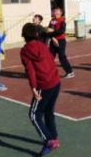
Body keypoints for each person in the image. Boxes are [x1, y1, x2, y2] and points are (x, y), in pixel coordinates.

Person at [20, 23, 61, 156]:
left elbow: (30, 71)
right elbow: (51, 60)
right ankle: (54, 138)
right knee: (49, 112)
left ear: (24, 36)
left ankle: (49, 140)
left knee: (34, 115)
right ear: (37, 34)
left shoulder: (25, 50)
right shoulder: (43, 45)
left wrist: (33, 88)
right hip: (56, 82)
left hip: (44, 85)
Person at [46, 7, 74, 78]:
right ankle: (49, 73)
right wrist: (52, 37)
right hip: (53, 40)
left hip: (60, 41)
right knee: (50, 57)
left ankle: (70, 72)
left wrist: (52, 32)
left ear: (60, 13)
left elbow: (61, 31)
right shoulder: (52, 20)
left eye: (56, 11)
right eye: (54, 11)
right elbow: (48, 30)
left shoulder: (62, 21)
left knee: (62, 57)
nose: (54, 12)